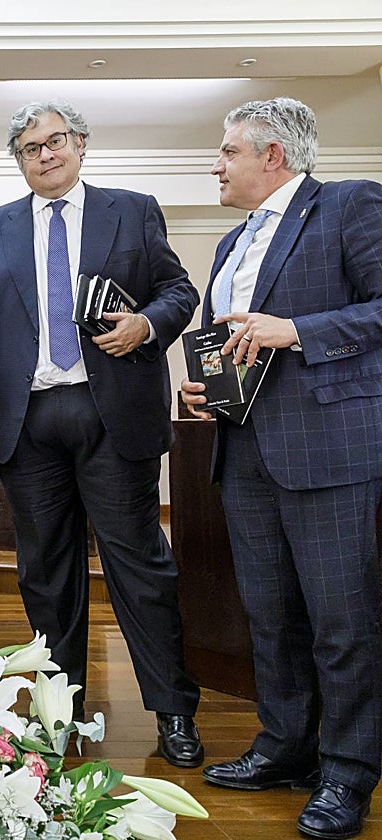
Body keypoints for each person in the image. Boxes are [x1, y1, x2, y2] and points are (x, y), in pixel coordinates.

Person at [0, 100, 203, 767]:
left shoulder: (133, 208)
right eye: (29, 147)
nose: (44, 154)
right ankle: (54, 714)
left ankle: (174, 712)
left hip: (113, 413)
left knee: (139, 568)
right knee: (45, 574)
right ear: (18, 159)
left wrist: (147, 325)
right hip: (26, 420)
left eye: (55, 141)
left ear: (81, 144)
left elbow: (178, 290)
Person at [180, 97, 382, 840]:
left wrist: (297, 329)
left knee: (341, 622)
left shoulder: (351, 206)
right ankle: (285, 746)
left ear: (273, 155)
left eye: (227, 151)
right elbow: (234, 341)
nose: (216, 164)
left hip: (330, 449)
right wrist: (206, 388)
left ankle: (350, 771)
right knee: (270, 617)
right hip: (244, 451)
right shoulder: (233, 241)